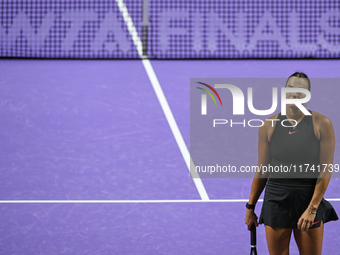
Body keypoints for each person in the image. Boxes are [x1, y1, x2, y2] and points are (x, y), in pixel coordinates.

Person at [244, 72, 338, 255]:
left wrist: (312, 208)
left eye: (301, 91)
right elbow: (262, 169)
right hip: (276, 201)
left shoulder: (322, 124)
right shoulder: (268, 125)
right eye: (291, 90)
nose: (295, 95)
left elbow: (326, 170)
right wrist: (250, 207)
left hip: (308, 199)